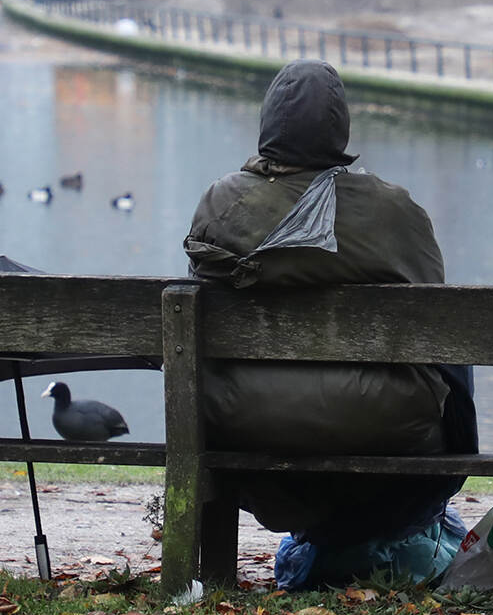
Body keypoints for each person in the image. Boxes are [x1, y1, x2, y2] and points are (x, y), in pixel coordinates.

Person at [183, 59, 477, 588]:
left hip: (243, 424)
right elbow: (437, 327)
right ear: (340, 129)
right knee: (452, 341)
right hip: (389, 429)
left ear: (268, 125)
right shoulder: (395, 212)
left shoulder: (222, 203)